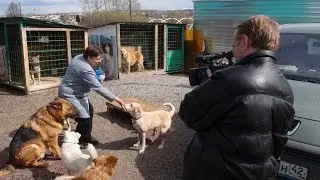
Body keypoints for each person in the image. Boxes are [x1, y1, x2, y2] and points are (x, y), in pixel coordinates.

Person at [179, 15, 295, 180]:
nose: (232, 48)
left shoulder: (228, 79)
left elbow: (188, 113)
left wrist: (209, 82)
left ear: (244, 41)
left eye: (234, 43)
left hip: (216, 172)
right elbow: (278, 143)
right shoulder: (285, 88)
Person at [58, 45, 126, 147]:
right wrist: (116, 99)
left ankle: (86, 136)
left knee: (90, 111)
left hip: (79, 92)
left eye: (100, 58)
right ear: (89, 58)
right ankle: (79, 141)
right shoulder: (85, 68)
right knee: (84, 117)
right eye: (97, 59)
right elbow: (98, 88)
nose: (100, 61)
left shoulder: (80, 57)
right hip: (70, 94)